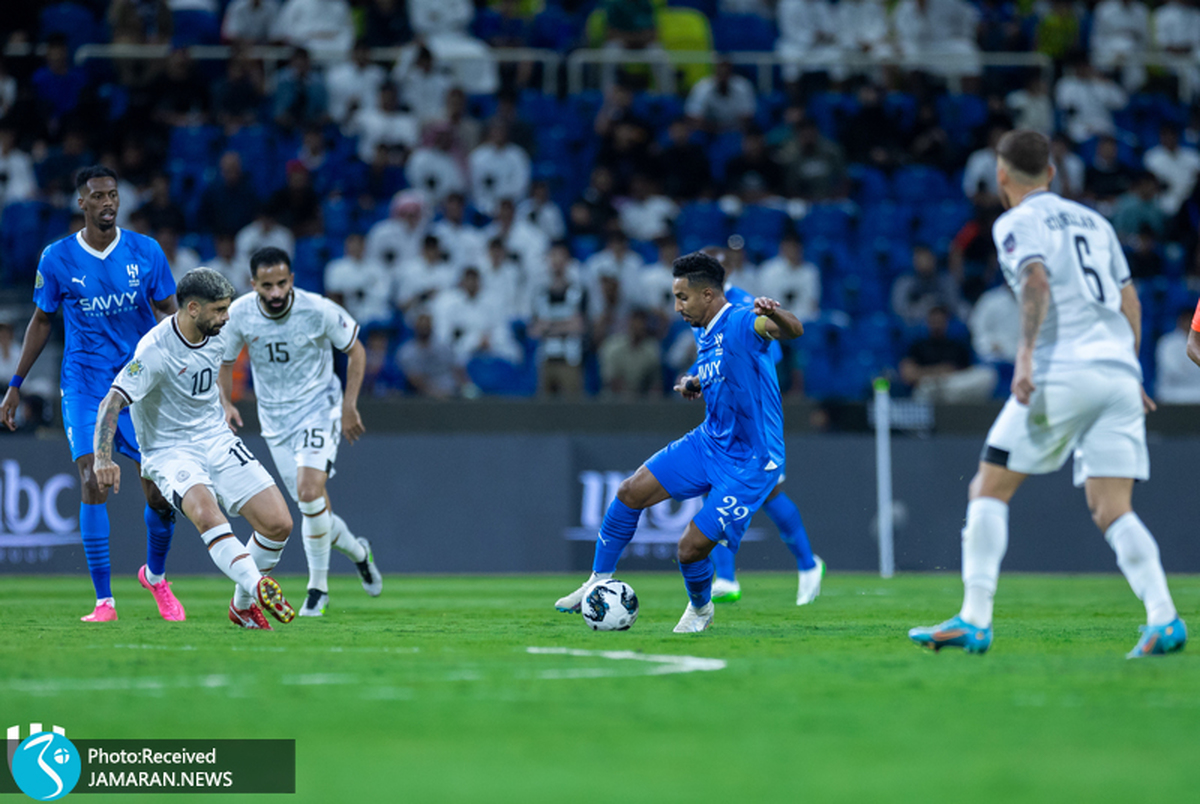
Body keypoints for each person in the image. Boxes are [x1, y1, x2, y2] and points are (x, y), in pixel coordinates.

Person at [909, 130, 1187, 658]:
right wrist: (1131, 367)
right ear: (1053, 173)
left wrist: (1026, 357)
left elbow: (1035, 281)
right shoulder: (1097, 222)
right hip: (1118, 375)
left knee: (989, 488)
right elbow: (1130, 297)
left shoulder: (1016, 222)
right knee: (1112, 507)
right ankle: (1164, 619)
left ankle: (974, 619)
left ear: (1003, 175)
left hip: (1065, 369)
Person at [554, 252, 804, 633]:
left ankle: (701, 609)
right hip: (710, 442)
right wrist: (696, 382)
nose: (677, 307)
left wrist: (776, 312)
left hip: (751, 461)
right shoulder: (704, 329)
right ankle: (597, 580)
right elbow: (724, 369)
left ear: (707, 294)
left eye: (682, 297)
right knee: (630, 492)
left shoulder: (740, 319)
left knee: (689, 549)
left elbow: (792, 329)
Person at [0, 166, 183, 624]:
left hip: (139, 384)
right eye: (98, 196)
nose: (108, 203)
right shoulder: (57, 258)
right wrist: (15, 385)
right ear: (81, 203)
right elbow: (42, 320)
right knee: (91, 477)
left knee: (159, 492)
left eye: (114, 195)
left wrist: (183, 363)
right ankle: (105, 601)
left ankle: (156, 578)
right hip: (84, 385)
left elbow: (170, 312)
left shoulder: (146, 251)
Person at [93, 268, 297, 630]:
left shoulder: (218, 332)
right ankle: (257, 584)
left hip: (216, 438)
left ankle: (242, 604)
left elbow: (216, 368)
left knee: (278, 524)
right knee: (206, 513)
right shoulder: (155, 351)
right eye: (218, 310)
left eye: (227, 308)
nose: (226, 317)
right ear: (192, 308)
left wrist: (226, 401)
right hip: (170, 450)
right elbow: (111, 402)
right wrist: (103, 458)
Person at [219, 248, 382, 617]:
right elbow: (225, 362)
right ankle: (359, 552)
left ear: (291, 280)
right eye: (267, 286)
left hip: (317, 410)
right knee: (313, 507)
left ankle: (317, 590)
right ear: (253, 285)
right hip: (275, 422)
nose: (275, 292)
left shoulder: (317, 309)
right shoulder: (240, 313)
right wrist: (226, 403)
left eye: (281, 283)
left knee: (309, 494)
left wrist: (348, 405)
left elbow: (356, 351)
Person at [705, 282, 822, 606]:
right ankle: (727, 577)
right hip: (726, 417)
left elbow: (772, 344)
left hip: (755, 418)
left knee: (766, 492)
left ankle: (807, 564)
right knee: (717, 488)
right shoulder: (700, 314)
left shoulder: (739, 304)